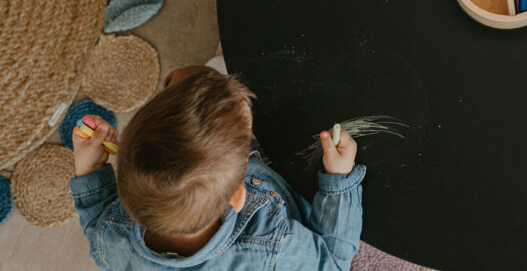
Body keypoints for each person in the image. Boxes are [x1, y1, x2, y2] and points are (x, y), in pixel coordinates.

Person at [70, 66, 364, 270]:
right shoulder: (275, 245)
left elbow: (96, 223)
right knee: (206, 75)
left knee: (196, 76)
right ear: (239, 196)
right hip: (284, 196)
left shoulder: (111, 236)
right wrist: (339, 182)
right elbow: (335, 264)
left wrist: (89, 171)